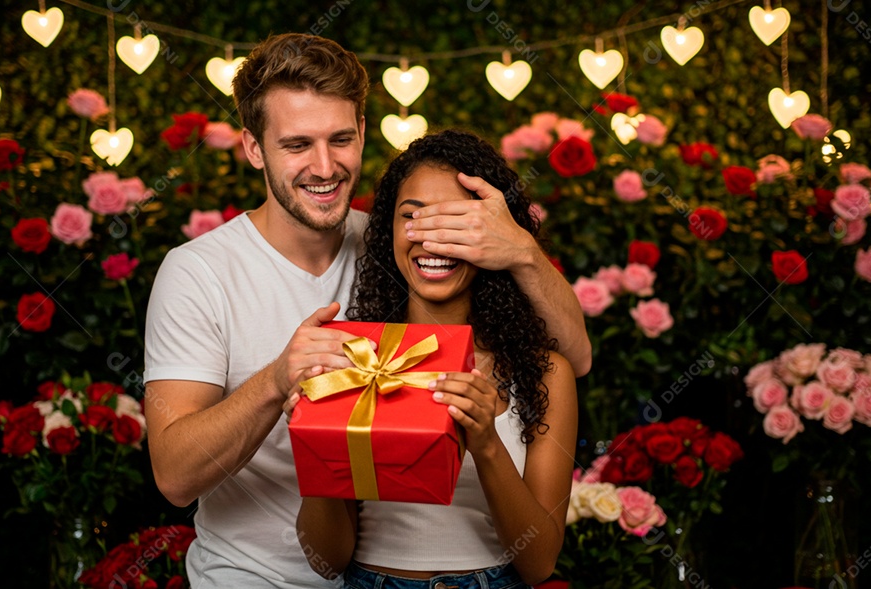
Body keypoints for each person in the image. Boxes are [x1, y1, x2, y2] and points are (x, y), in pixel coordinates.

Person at [143, 33, 590, 588]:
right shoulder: (197, 272)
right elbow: (175, 477)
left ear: (362, 135)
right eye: (297, 144)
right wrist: (281, 382)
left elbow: (573, 356)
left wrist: (521, 247)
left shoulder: (393, 247)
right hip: (256, 576)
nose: (324, 166)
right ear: (254, 148)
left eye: (341, 139)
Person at [293, 129, 576, 588]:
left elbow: (540, 561)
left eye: (455, 220)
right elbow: (326, 561)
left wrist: (484, 442)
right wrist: (317, 444)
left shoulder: (544, 374)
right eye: (413, 216)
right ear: (388, 231)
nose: (430, 237)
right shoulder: (354, 359)